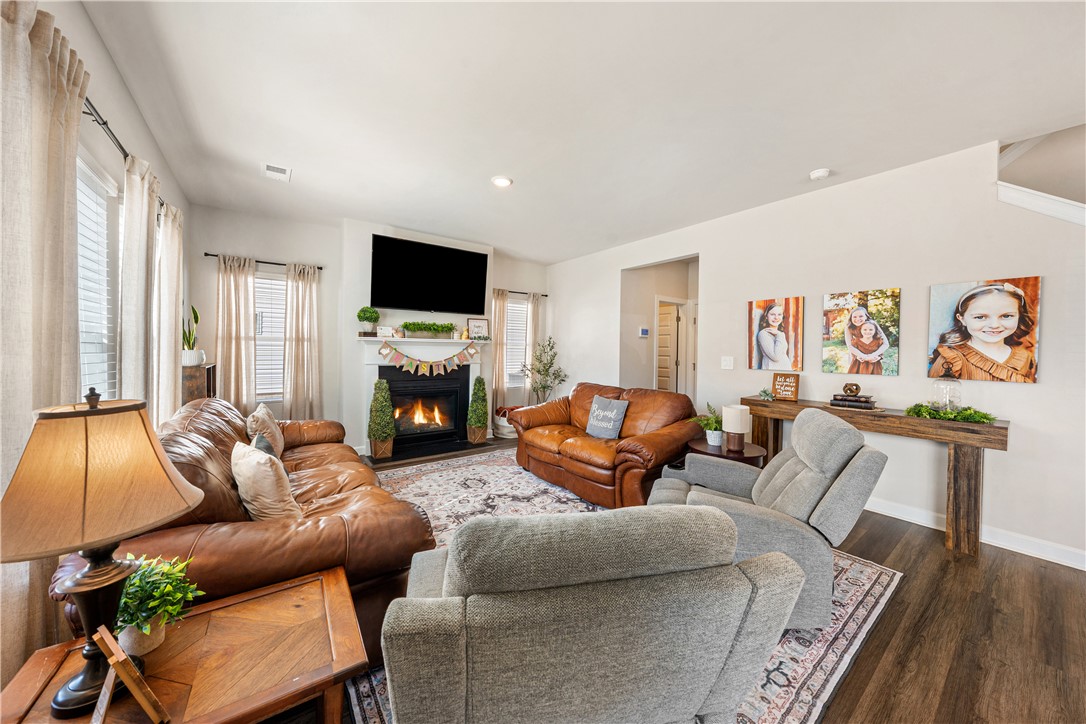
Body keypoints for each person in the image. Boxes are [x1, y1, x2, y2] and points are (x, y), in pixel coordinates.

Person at [929, 282, 1037, 383]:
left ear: (1019, 316)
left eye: (1006, 316)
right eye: (980, 317)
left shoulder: (1025, 357)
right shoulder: (952, 359)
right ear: (962, 319)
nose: (994, 325)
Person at [756, 303, 794, 370]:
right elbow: (776, 357)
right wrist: (780, 335)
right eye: (772, 314)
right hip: (771, 373)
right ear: (766, 316)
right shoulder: (763, 334)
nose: (776, 317)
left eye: (779, 314)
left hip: (785, 373)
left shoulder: (779, 333)